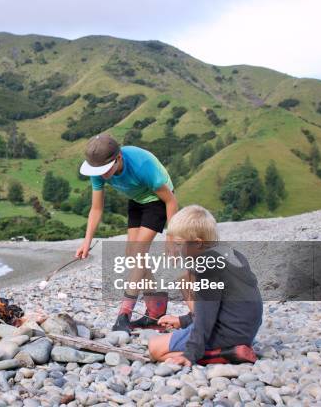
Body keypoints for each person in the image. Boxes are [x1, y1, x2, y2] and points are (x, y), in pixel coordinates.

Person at [76, 132, 178, 332]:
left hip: (158, 201)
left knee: (138, 254)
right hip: (137, 200)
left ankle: (124, 313)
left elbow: (171, 201)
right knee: (132, 256)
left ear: (119, 158)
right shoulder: (97, 171)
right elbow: (96, 208)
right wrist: (86, 242)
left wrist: (171, 236)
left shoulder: (142, 165)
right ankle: (156, 310)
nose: (102, 175)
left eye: (106, 170)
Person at [147, 205, 263, 366]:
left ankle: (227, 354)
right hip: (245, 330)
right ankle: (228, 348)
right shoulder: (231, 254)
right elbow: (218, 306)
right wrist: (182, 320)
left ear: (198, 243)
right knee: (185, 278)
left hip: (227, 334)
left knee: (155, 348)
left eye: (180, 245)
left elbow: (205, 319)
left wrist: (190, 354)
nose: (177, 250)